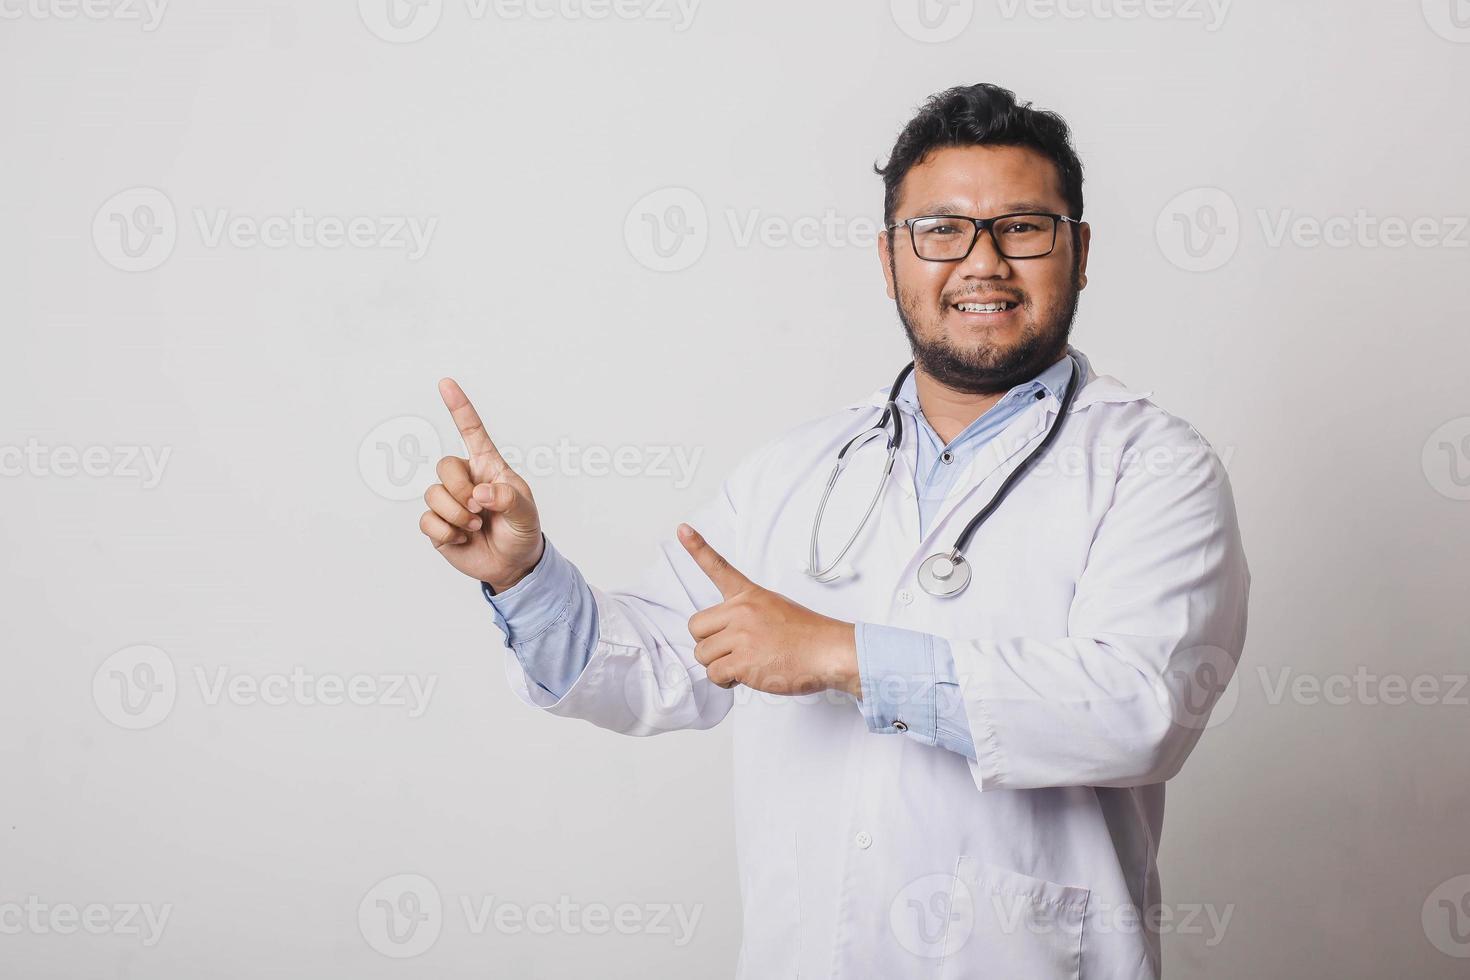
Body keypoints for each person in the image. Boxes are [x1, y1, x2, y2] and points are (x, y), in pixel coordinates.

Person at [418, 82, 1249, 979]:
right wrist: (524, 577)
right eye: (940, 230)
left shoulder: (1156, 465)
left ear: (1078, 252)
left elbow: (1140, 711)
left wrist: (844, 655)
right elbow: (657, 664)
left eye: (1022, 227)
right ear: (889, 260)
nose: (982, 262)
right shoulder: (796, 470)